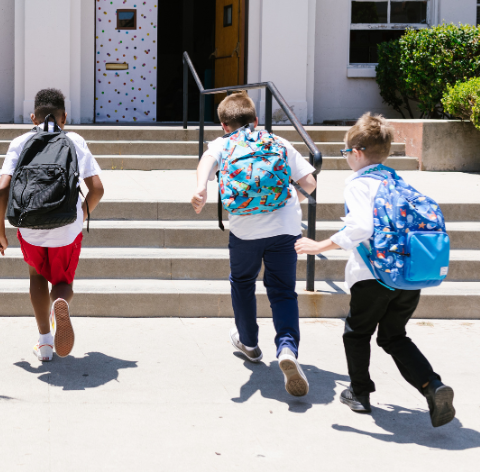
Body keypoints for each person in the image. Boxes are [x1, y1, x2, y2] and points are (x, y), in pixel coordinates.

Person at [295, 113, 455, 426]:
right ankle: (432, 385)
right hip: (408, 276)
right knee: (394, 336)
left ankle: (359, 393)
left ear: (356, 153)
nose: (345, 160)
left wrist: (319, 246)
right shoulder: (397, 181)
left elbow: (361, 227)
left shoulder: (359, 184)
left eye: (345, 153)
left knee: (357, 334)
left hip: (372, 276)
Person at [190, 92, 316, 397]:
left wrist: (200, 189)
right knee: (283, 291)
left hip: (245, 231)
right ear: (256, 121)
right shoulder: (278, 142)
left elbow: (206, 164)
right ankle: (286, 348)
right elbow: (310, 183)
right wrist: (290, 200)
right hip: (285, 229)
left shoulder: (223, 144)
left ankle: (248, 342)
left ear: (223, 125)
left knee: (243, 283)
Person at [0, 88, 104, 362]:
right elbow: (97, 189)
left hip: (30, 225)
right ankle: (60, 302)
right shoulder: (74, 140)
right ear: (65, 116)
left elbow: (1, 190)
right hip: (67, 227)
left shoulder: (20, 141)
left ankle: (44, 342)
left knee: (36, 277)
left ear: (33, 117)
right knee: (62, 282)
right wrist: (82, 214)